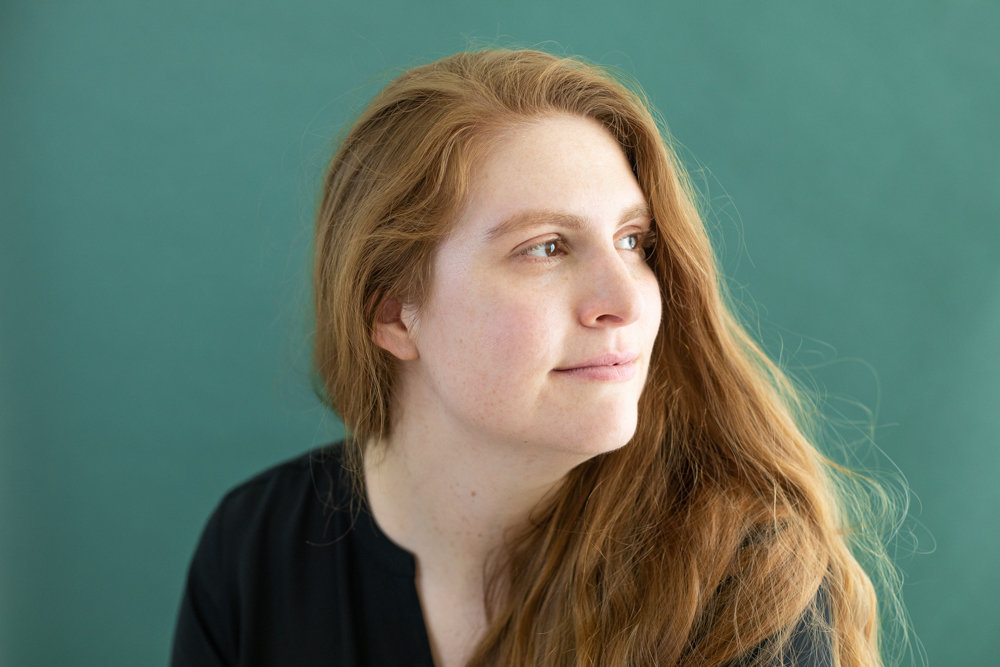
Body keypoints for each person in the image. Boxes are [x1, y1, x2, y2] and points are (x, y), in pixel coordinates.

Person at [171, 49, 894, 666]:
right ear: (392, 312)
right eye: (546, 247)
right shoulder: (253, 550)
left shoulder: (742, 583)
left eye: (634, 241)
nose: (627, 299)